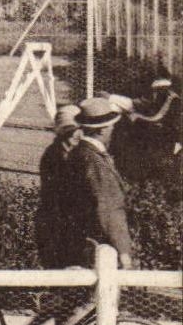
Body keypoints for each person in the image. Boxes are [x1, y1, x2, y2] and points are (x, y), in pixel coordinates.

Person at [66, 96, 135, 269]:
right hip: (98, 248)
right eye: (112, 126)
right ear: (102, 130)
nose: (113, 129)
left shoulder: (78, 153)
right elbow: (109, 208)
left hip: (78, 244)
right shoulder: (95, 161)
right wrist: (124, 251)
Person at [35, 105, 82, 267]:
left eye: (78, 129)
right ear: (61, 132)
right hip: (56, 224)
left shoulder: (76, 153)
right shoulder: (53, 156)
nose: (76, 135)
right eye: (70, 131)